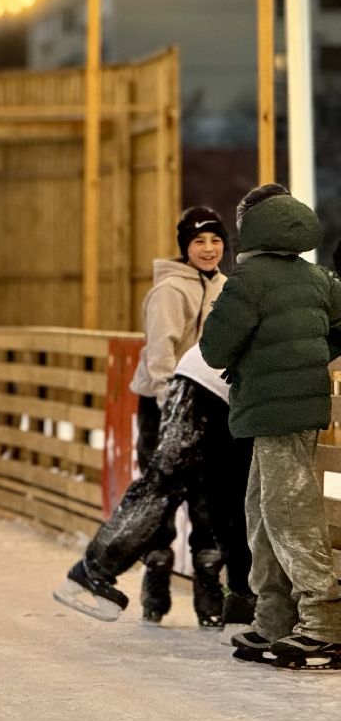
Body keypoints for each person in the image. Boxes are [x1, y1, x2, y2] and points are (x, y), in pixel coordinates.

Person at [201, 184, 341, 670]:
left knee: (287, 514)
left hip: (274, 411)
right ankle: (275, 617)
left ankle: (323, 624)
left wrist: (265, 362)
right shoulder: (317, 278)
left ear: (251, 226)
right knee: (263, 512)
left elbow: (214, 349)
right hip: (292, 410)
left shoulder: (248, 280)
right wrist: (309, 358)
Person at [52, 344, 252, 626]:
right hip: (205, 385)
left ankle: (241, 601)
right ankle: (93, 570)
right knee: (165, 484)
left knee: (222, 496)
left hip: (224, 388)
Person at [127, 208, 229, 623]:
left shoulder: (226, 288)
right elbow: (160, 351)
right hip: (164, 405)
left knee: (209, 495)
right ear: (185, 247)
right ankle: (156, 577)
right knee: (161, 491)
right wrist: (169, 401)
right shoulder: (170, 290)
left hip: (210, 404)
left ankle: (209, 587)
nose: (208, 249)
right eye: (198, 241)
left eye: (215, 240)